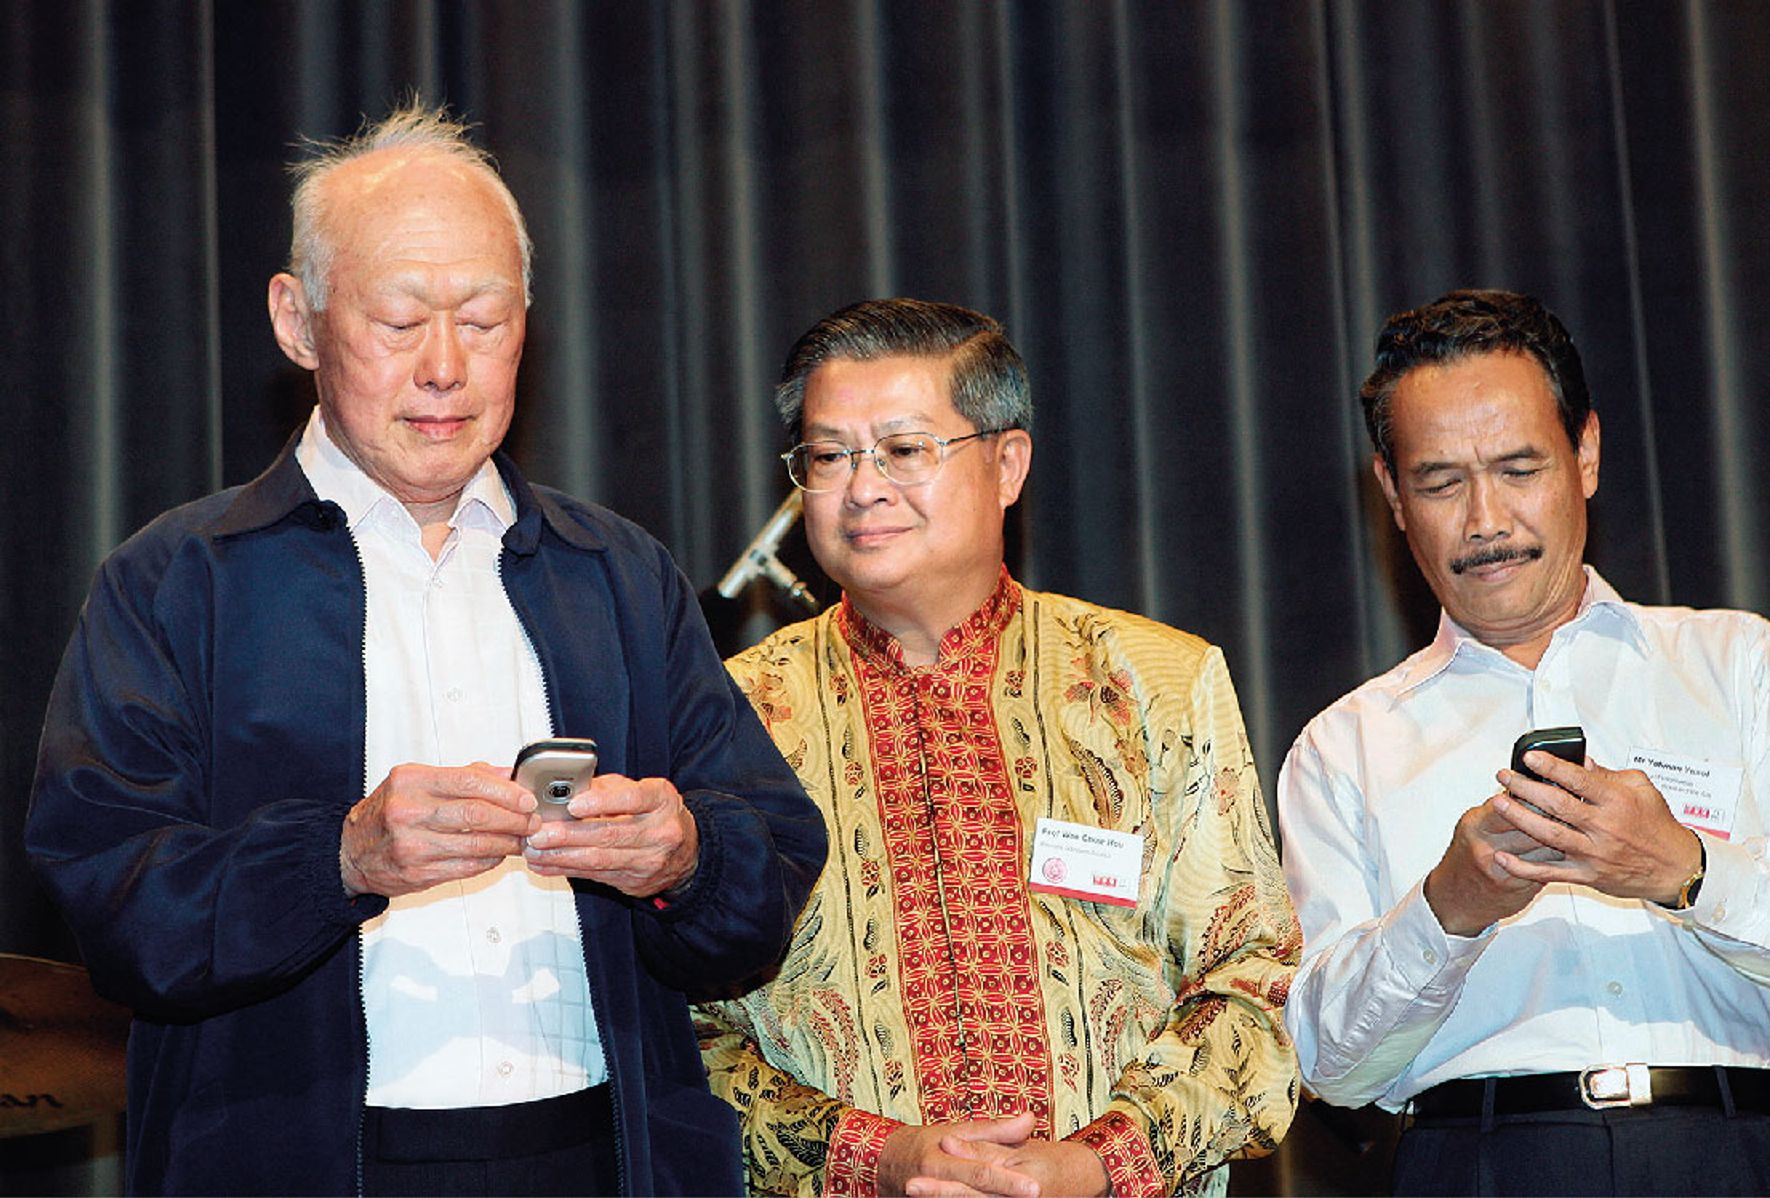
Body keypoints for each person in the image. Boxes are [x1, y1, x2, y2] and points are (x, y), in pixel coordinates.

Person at [26, 102, 826, 1196]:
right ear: (297, 322)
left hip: (600, 1153)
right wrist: (337, 858)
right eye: (400, 322)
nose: (446, 366)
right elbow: (112, 902)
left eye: (486, 321)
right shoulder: (178, 580)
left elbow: (773, 862)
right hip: (297, 1160)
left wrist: (687, 857)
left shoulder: (616, 574)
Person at [1275, 288, 1770, 1195]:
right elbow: (1329, 1064)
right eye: (1441, 482)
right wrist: (1448, 907)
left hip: (1730, 1152)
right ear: (1392, 494)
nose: (1486, 519)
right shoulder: (1344, 747)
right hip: (1479, 1162)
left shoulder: (1737, 664)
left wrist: (1685, 870)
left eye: (1519, 468)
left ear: (1588, 455)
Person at [695, 298, 1300, 1198]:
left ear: (1007, 463)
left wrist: (1092, 1165)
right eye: (828, 457)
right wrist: (878, 1158)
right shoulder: (729, 717)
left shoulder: (1157, 685)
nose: (863, 489)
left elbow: (1253, 997)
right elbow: (685, 1037)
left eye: (903, 450)